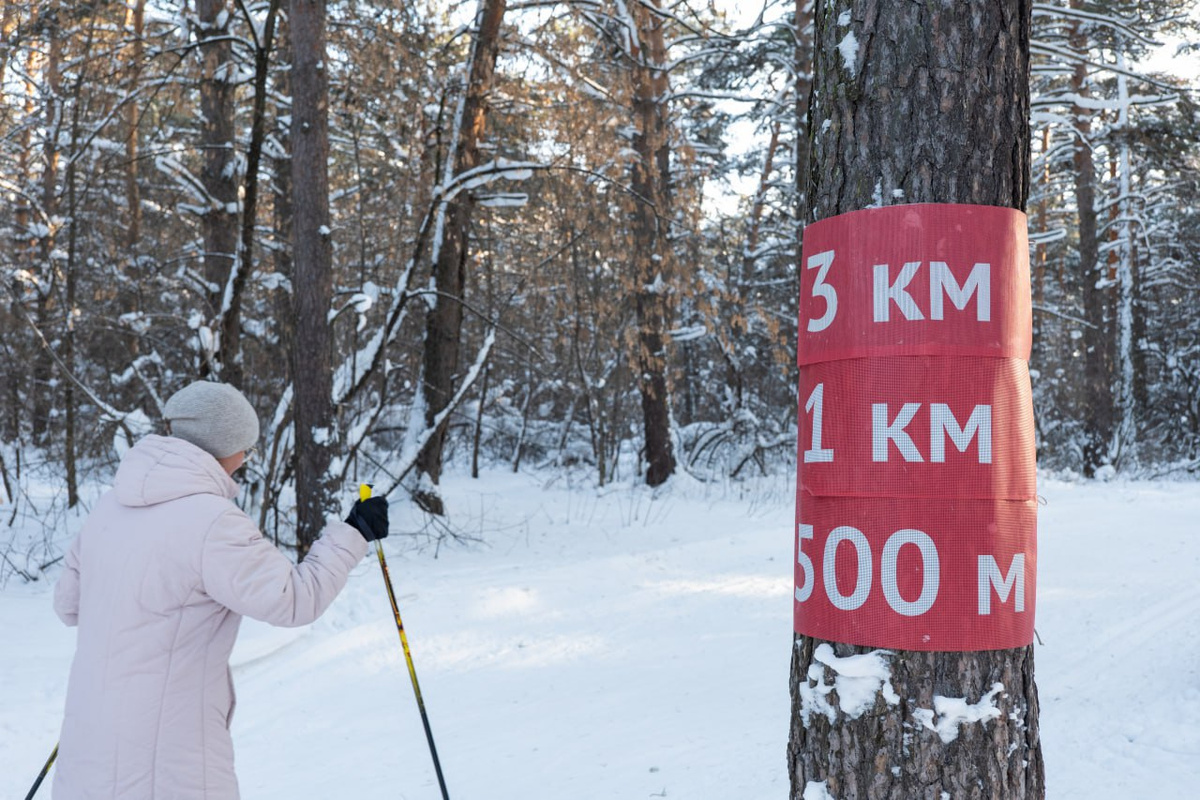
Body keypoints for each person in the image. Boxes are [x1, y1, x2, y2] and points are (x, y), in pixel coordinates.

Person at [51, 381, 389, 799]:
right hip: (168, 761)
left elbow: (67, 605)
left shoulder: (111, 506)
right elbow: (296, 600)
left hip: (89, 746)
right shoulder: (211, 523)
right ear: (223, 446)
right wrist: (355, 532)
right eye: (244, 446)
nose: (246, 458)